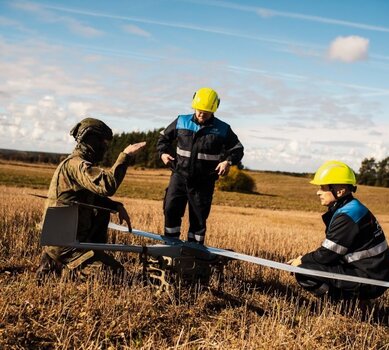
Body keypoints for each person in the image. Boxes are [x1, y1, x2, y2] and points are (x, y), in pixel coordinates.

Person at [36, 117, 146, 281]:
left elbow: (92, 198)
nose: (105, 147)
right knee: (116, 275)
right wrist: (125, 156)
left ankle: (65, 263)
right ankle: (70, 267)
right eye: (103, 142)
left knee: (102, 213)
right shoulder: (76, 165)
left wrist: (116, 206)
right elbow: (107, 186)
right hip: (66, 243)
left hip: (67, 237)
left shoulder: (74, 163)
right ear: (91, 140)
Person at [287, 160, 389, 300]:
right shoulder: (352, 208)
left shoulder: (347, 216)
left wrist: (302, 260)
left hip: (370, 279)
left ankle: (345, 305)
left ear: (340, 191)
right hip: (371, 272)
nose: (318, 192)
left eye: (323, 188)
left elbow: (327, 255)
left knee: (304, 271)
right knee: (309, 265)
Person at [157, 87, 244, 244]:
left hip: (204, 182)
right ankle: (170, 246)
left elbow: (238, 149)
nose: (201, 114)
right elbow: (162, 139)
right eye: (199, 110)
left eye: (206, 111)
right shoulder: (181, 121)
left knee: (198, 220)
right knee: (170, 210)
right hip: (179, 177)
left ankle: (194, 253)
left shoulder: (223, 129)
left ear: (213, 110)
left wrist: (227, 161)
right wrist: (163, 153)